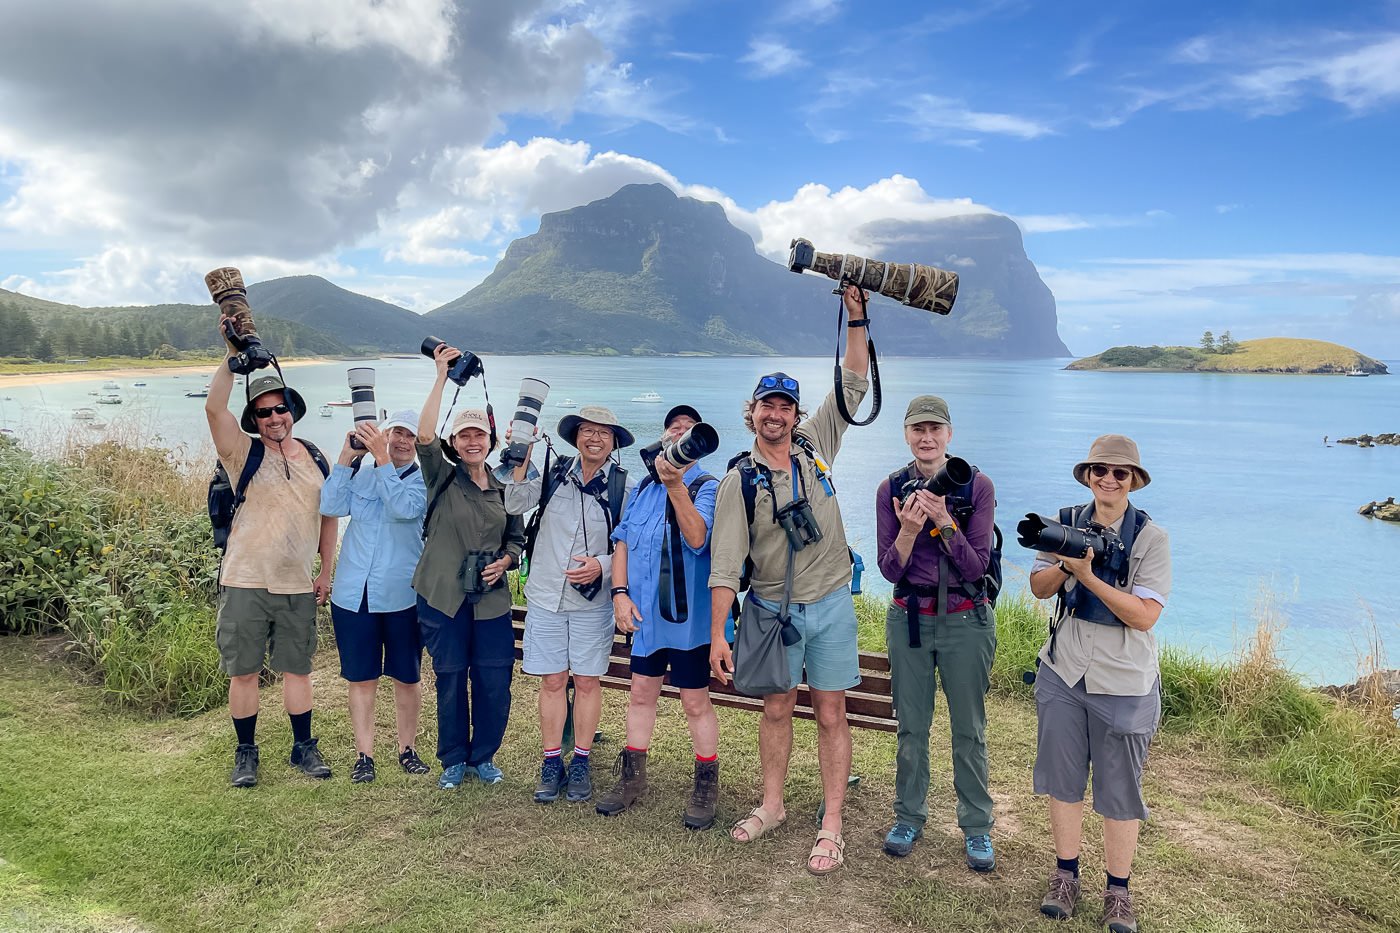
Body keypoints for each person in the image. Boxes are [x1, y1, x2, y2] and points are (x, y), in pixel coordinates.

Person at [709, 283, 871, 876]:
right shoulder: (738, 481)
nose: (775, 415)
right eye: (765, 406)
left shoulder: (816, 449)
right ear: (751, 413)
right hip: (771, 611)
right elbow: (725, 565)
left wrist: (856, 315)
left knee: (832, 712)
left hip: (829, 603)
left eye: (785, 407)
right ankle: (772, 805)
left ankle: (831, 824)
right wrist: (720, 634)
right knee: (776, 711)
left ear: (797, 415)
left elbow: (853, 383)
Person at [1027, 435, 1171, 933]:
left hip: (1125, 680)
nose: (1108, 479)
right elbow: (1038, 586)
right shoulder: (1065, 522)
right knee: (1062, 780)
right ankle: (1065, 875)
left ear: (1133, 480)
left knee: (1118, 790)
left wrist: (1089, 578)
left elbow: (1144, 616)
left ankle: (1118, 890)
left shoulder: (1151, 538)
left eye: (1120, 473)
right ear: (1087, 475)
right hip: (1064, 670)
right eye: (1099, 470)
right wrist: (1067, 561)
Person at [205, 321, 337, 788]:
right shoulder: (243, 454)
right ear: (254, 421)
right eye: (264, 413)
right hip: (244, 579)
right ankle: (246, 753)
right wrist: (230, 356)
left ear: (292, 411)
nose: (274, 418)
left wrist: (326, 569)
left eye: (280, 408)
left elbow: (328, 517)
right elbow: (213, 407)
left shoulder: (317, 458)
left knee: (297, 669)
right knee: (243, 673)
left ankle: (303, 748)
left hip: (297, 583)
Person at [875, 395, 998, 869]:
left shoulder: (977, 486)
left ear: (949, 435)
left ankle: (977, 827)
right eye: (917, 430)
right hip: (909, 617)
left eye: (935, 429)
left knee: (968, 729)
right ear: (907, 435)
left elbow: (976, 565)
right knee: (911, 726)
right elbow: (890, 570)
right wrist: (908, 529)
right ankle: (909, 815)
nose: (927, 438)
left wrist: (945, 520)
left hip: (966, 618)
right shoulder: (891, 488)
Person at [597, 404, 721, 827]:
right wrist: (619, 594)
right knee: (641, 694)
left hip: (690, 621)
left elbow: (697, 537)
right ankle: (632, 778)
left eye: (689, 432)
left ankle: (706, 784)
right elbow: (623, 542)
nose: (680, 435)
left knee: (694, 700)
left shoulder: (707, 486)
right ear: (663, 438)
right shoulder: (642, 489)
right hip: (645, 614)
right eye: (674, 429)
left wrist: (675, 486)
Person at [505, 405, 634, 805]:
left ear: (613, 443)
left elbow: (634, 545)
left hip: (592, 603)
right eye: (587, 431)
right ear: (576, 436)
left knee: (589, 681)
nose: (594, 438)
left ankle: (580, 759)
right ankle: (550, 762)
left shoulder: (625, 488)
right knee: (553, 681)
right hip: (545, 596)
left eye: (603, 433)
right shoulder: (554, 474)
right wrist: (521, 449)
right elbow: (513, 502)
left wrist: (603, 565)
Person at [414, 343, 526, 789]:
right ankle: (454, 759)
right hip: (444, 596)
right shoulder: (441, 476)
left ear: (491, 441)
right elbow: (424, 437)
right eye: (464, 436)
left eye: (480, 435)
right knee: (450, 678)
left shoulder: (505, 487)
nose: (473, 441)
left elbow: (517, 539)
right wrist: (441, 376)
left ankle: (485, 757)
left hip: (492, 602)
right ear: (454, 443)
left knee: (495, 680)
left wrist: (506, 561)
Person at [319, 409, 430, 783]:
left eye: (409, 436)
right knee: (361, 678)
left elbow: (403, 509)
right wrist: (346, 457)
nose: (401, 441)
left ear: (418, 444)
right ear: (386, 432)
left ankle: (407, 749)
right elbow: (330, 506)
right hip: (353, 594)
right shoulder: (362, 474)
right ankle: (364, 754)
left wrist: (381, 457)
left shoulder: (422, 483)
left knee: (406, 676)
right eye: (396, 432)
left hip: (402, 595)